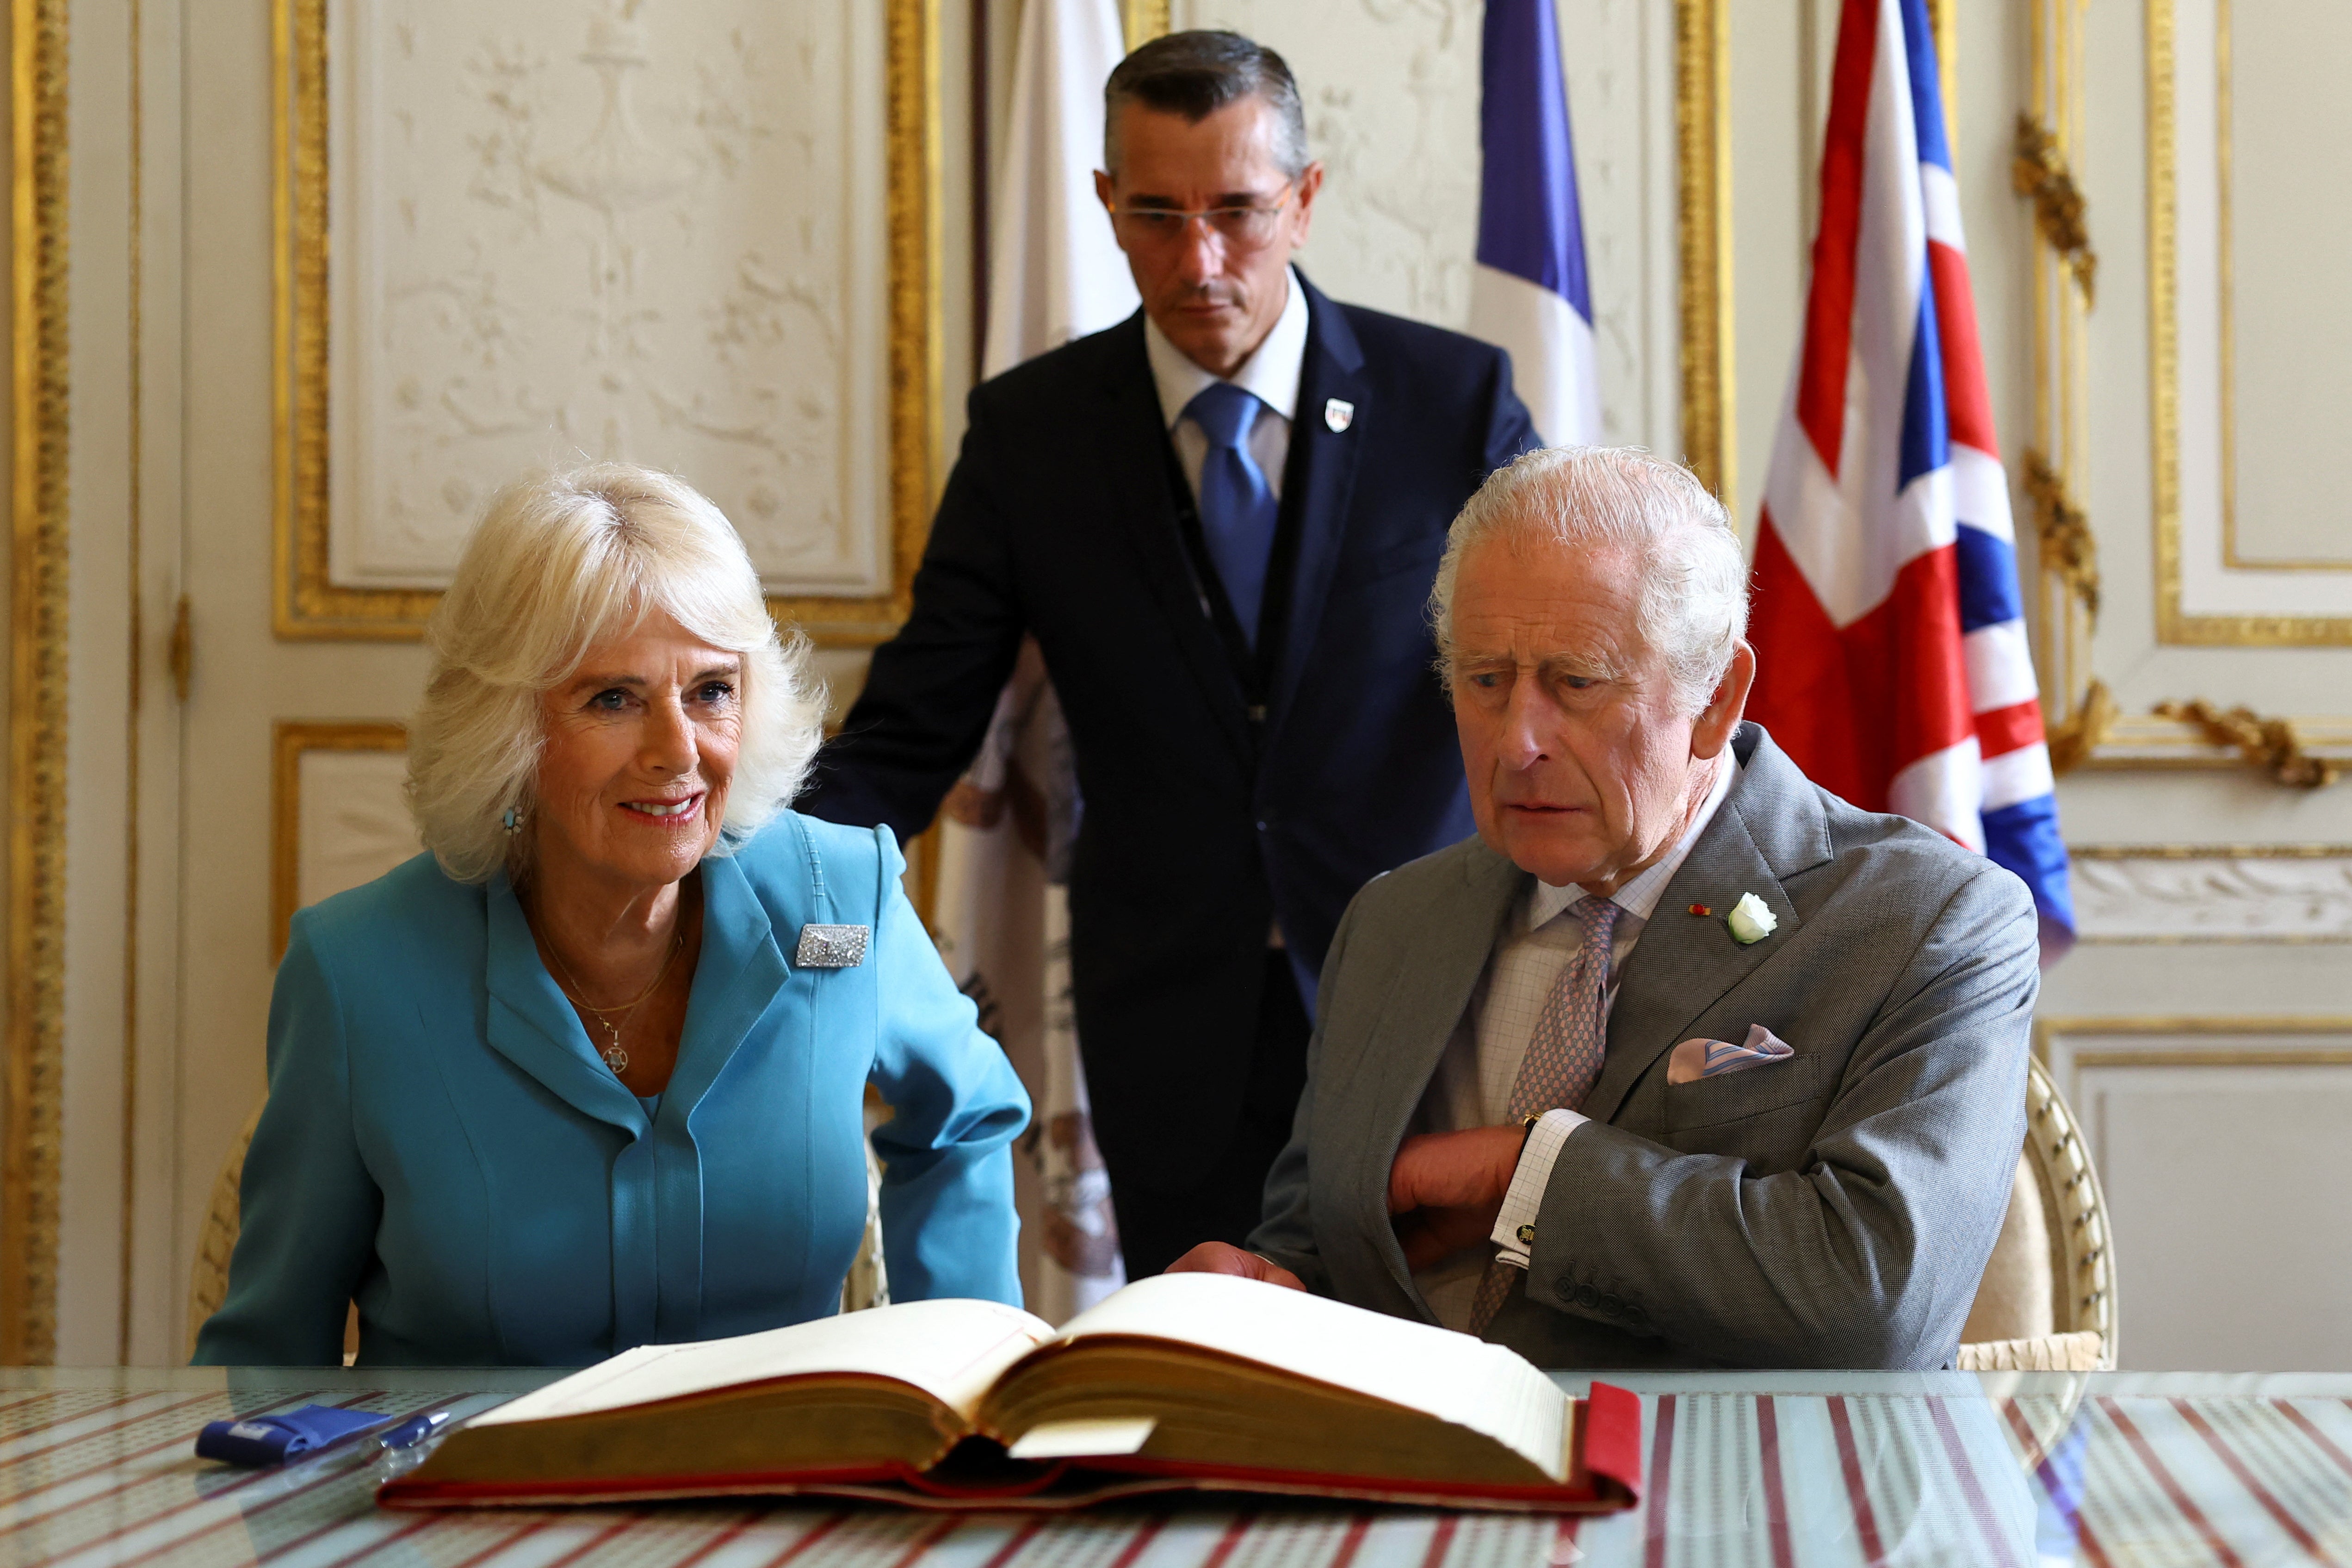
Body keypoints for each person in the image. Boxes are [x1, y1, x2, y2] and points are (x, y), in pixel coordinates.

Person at [799, 31, 1539, 1277]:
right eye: (1155, 215)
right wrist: (746, 884)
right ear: (1103, 205)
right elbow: (914, 726)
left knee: (1425, 1378)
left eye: (1238, 213)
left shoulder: (1449, 402)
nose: (1199, 263)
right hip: (1171, 1030)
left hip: (1423, 1008)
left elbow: (1567, 662)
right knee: (1200, 1397)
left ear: (1303, 201)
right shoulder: (1031, 434)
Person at [1173, 446, 2036, 1370]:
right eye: (1485, 680)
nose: (1518, 742)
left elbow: (1874, 1300)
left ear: (1715, 699)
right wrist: (1261, 1289)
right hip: (1405, 1487)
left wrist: (1531, 1175)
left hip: (1732, 1498)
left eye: (1575, 682)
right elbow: (1324, 1242)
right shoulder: (1395, 920)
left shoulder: (1926, 920)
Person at [195, 465, 1029, 1367]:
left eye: (711, 690)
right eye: (613, 699)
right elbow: (268, 1363)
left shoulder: (838, 911)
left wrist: (965, 1379)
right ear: (508, 726)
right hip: (463, 1501)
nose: (678, 752)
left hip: (777, 1495)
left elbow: (965, 1118)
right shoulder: (361, 974)